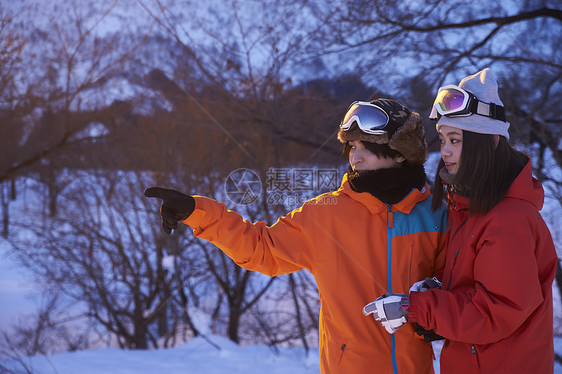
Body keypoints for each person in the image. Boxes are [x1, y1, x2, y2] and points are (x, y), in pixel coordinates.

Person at [144, 98, 448, 374]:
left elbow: (457, 284)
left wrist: (437, 311)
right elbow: (261, 248)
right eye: (351, 147)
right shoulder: (325, 214)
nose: (355, 158)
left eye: (366, 147)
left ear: (399, 153)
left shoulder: (436, 213)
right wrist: (197, 212)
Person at [364, 69, 558, 373]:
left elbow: (496, 311)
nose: (445, 151)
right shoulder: (471, 211)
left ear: (491, 141)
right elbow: (479, 280)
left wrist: (414, 307)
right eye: (442, 139)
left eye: (455, 139)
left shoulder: (508, 220)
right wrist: (441, 284)